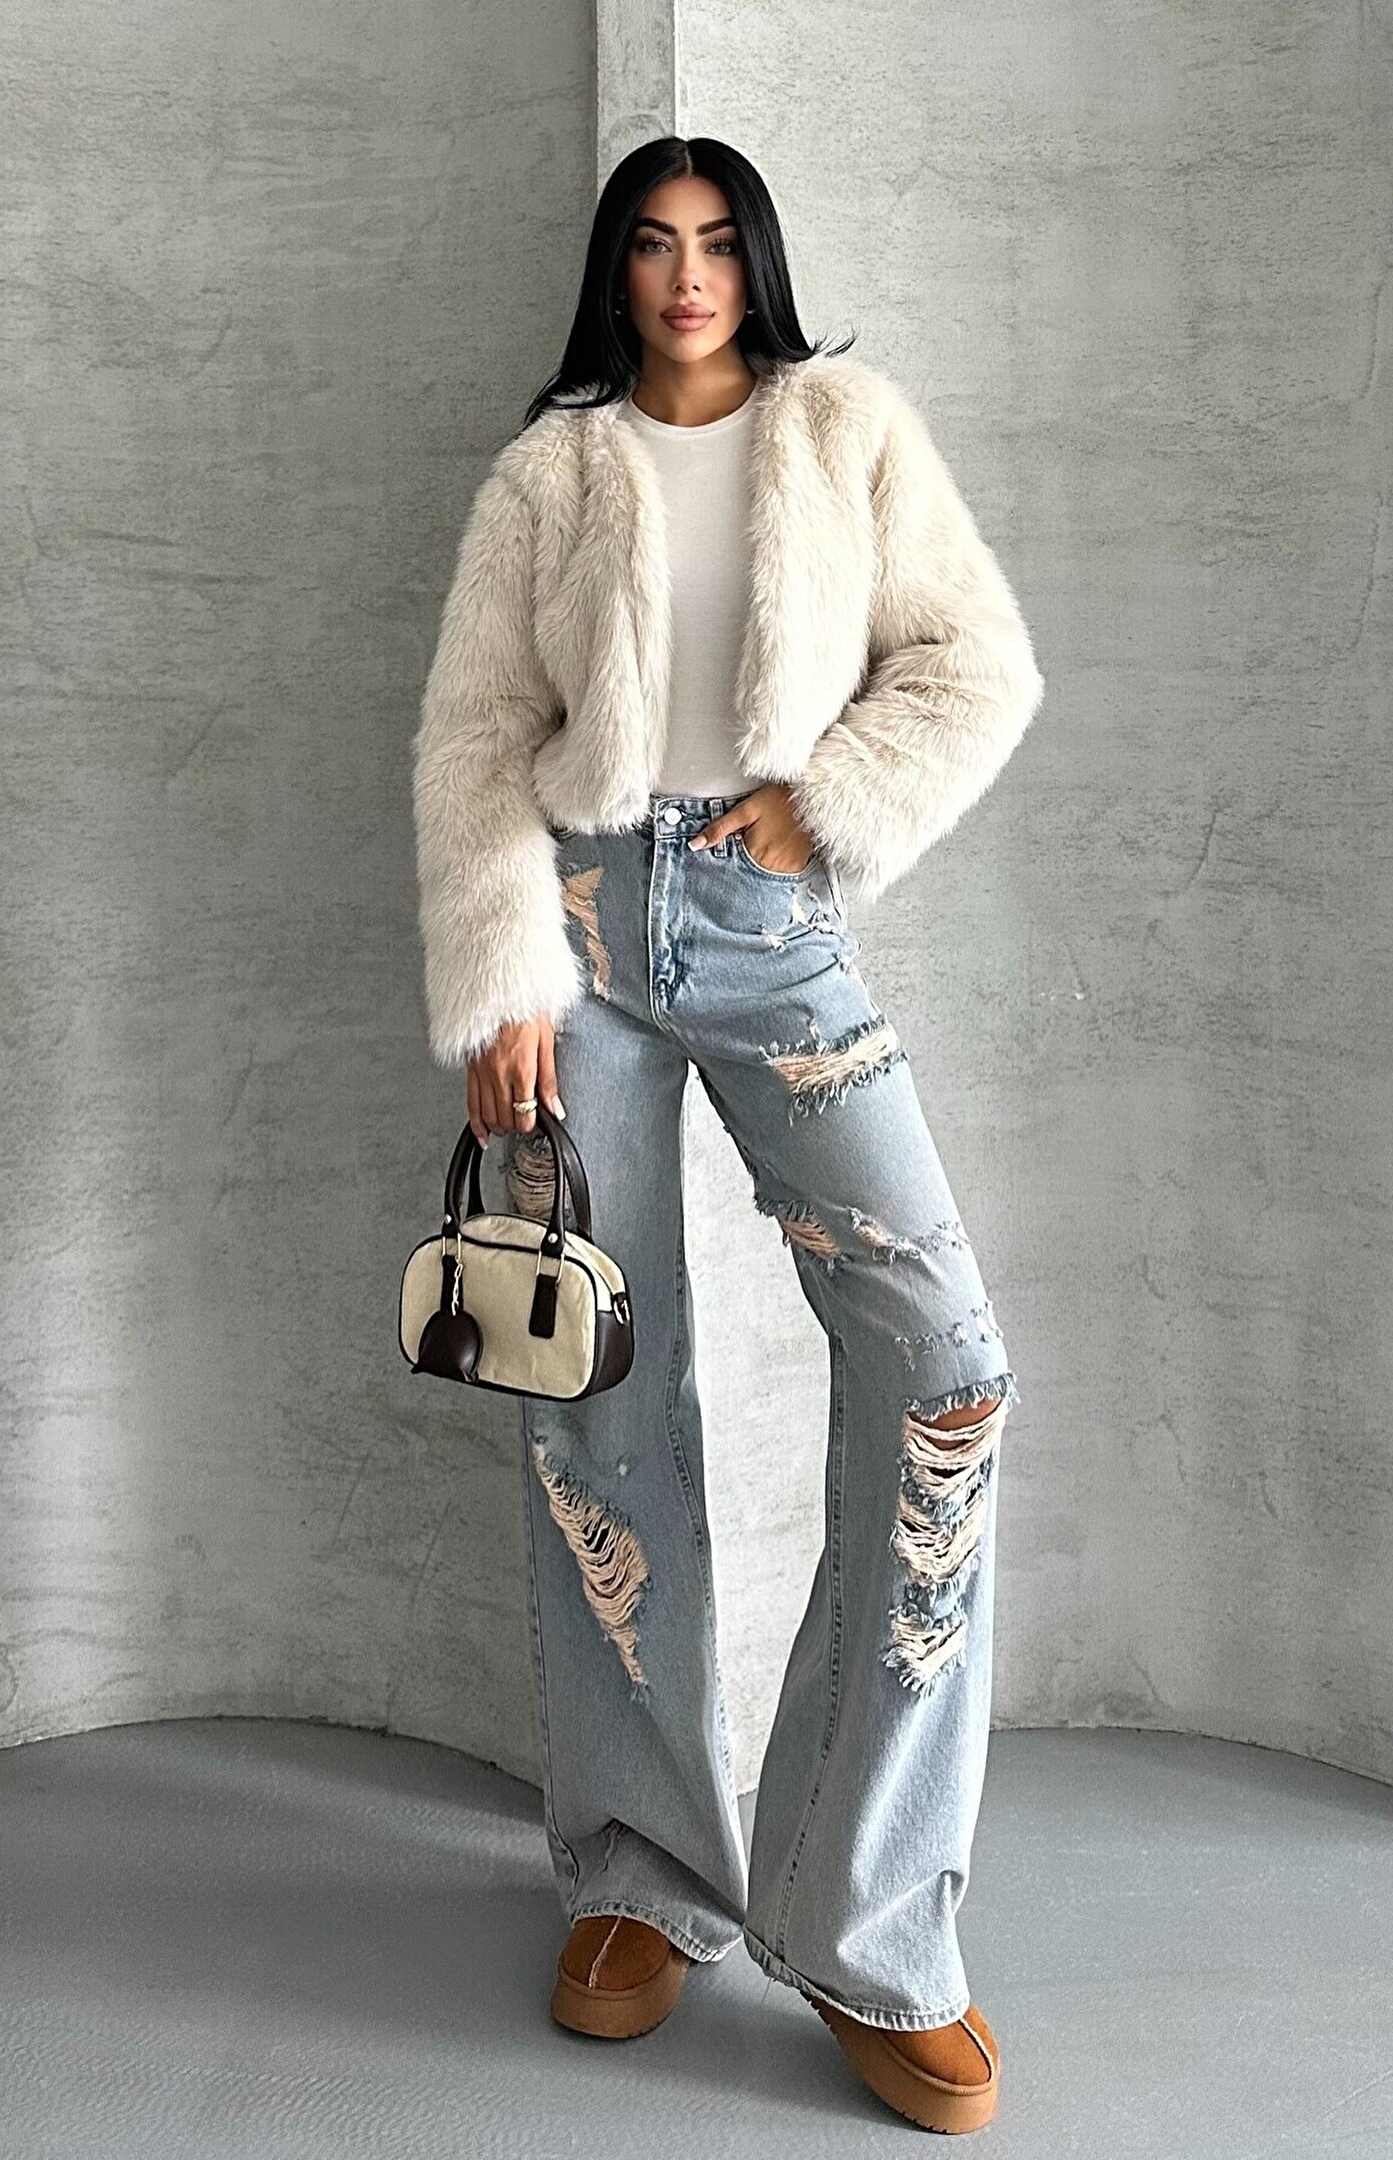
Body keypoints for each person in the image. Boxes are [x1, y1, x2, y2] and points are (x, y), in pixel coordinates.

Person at [411, 134, 1044, 2135]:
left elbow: (975, 661)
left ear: (755, 259)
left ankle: (868, 1924)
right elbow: (476, 734)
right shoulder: (553, 469)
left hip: (777, 930)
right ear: (614, 271)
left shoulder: (848, 429)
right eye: (649, 244)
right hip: (579, 934)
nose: (686, 275)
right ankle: (637, 1876)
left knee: (945, 1374)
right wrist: (501, 976)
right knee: (597, 1390)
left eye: (714, 242)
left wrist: (831, 795)